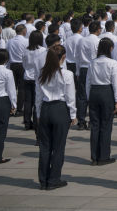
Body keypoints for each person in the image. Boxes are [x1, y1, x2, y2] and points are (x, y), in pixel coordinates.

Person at [35, 44, 75, 190]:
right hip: (60, 108)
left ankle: (43, 179)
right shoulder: (67, 74)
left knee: (45, 147)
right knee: (58, 147)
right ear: (63, 57)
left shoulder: (42, 72)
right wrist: (73, 114)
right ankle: (54, 179)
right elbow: (70, 96)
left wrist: (38, 114)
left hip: (46, 108)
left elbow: (38, 96)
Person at [85, 38, 117, 165]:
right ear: (110, 49)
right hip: (106, 92)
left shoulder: (92, 62)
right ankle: (104, 156)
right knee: (106, 125)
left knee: (95, 125)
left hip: (94, 91)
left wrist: (89, 97)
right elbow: (115, 83)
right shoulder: (112, 63)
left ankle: (94, 156)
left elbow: (88, 81)